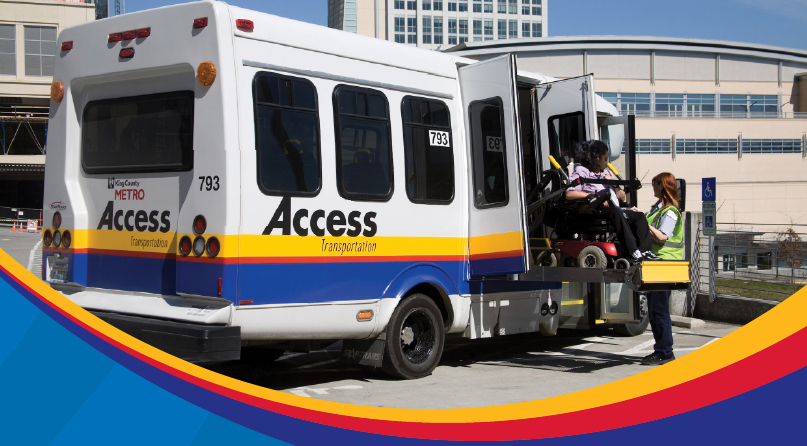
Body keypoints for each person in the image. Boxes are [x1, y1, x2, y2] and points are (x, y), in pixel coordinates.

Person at [564, 140, 659, 263]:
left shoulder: (606, 172)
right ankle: (632, 252)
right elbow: (569, 194)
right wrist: (591, 196)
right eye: (605, 158)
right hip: (592, 211)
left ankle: (645, 251)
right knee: (616, 213)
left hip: (612, 209)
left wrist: (614, 184)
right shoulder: (582, 171)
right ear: (596, 158)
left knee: (639, 216)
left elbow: (621, 197)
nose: (607, 162)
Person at [640, 172, 684, 366]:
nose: (653, 188)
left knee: (659, 311)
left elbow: (662, 237)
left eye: (655, 185)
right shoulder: (657, 210)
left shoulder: (670, 212)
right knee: (655, 309)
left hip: (665, 264)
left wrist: (642, 222)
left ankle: (665, 352)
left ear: (664, 187)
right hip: (656, 263)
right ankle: (662, 350)